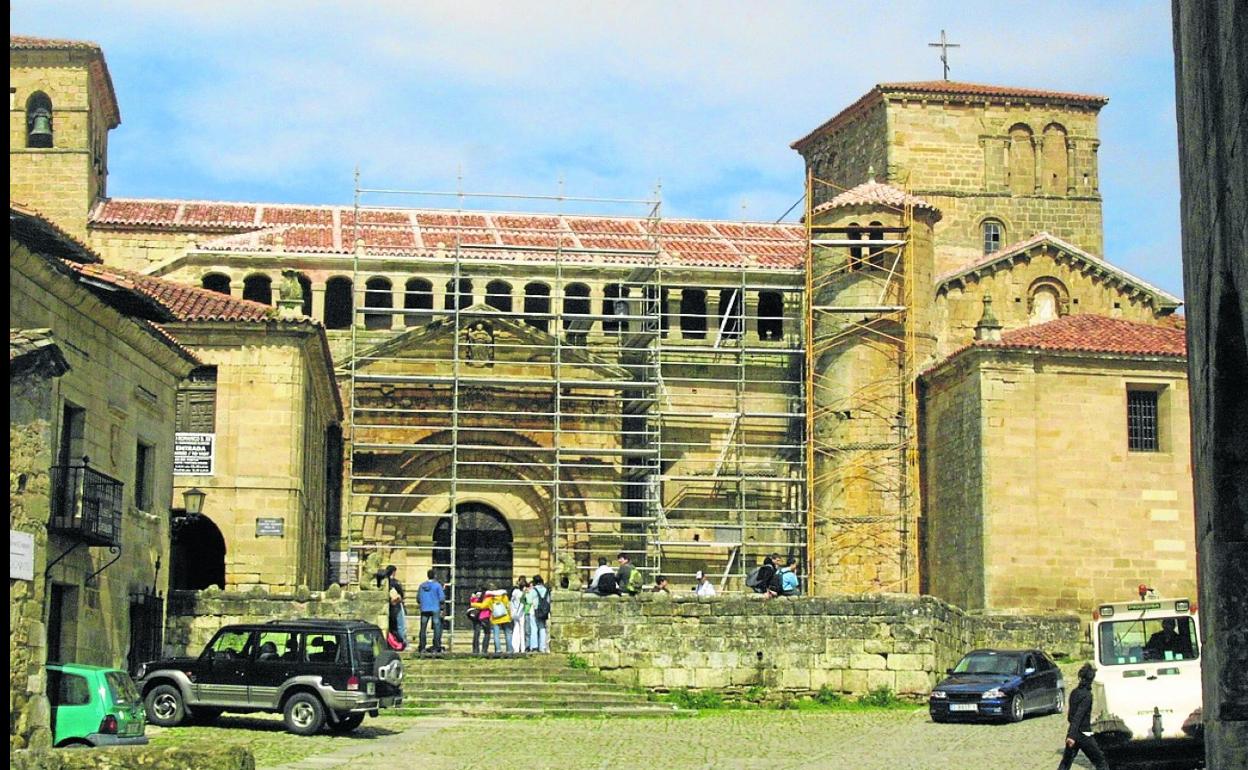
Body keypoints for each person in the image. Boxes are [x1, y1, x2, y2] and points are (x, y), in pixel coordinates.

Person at [1057, 663, 1110, 770]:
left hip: (1073, 732)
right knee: (1100, 761)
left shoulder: (1074, 692)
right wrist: (1072, 736)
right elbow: (1078, 716)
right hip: (1083, 734)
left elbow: (1070, 717)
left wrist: (1071, 734)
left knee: (1065, 763)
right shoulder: (1087, 696)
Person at [375, 565, 407, 649]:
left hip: (388, 606)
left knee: (391, 626)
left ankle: (392, 643)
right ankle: (402, 642)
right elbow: (401, 594)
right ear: (393, 572)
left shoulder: (382, 582)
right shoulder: (394, 582)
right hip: (396, 605)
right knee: (400, 625)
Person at [473, 589, 513, 654]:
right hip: (505, 617)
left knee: (496, 634)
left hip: (495, 618)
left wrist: (473, 604)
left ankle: (498, 650)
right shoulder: (504, 596)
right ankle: (509, 650)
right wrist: (510, 616)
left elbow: (483, 606)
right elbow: (508, 606)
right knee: (508, 633)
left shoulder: (490, 597)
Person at [416, 569, 446, 654]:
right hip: (435, 608)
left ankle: (422, 647)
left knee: (423, 628)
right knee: (437, 627)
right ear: (435, 576)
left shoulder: (422, 586)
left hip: (424, 608)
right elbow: (442, 598)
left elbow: (418, 598)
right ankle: (436, 647)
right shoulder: (437, 586)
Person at [529, 575, 551, 653]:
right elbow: (548, 600)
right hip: (544, 611)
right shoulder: (546, 590)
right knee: (542, 628)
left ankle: (534, 646)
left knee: (534, 628)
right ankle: (543, 647)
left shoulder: (533, 590)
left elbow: (529, 600)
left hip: (534, 610)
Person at [467, 587, 489, 655]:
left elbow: (471, 604)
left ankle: (475, 649)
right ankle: (484, 650)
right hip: (485, 615)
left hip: (476, 616)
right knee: (487, 633)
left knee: (476, 633)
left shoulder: (474, 598)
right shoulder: (486, 597)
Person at [510, 577, 529, 653]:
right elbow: (523, 604)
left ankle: (515, 647)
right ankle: (523, 647)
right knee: (522, 631)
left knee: (516, 629)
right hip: (521, 613)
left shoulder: (514, 592)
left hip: (514, 612)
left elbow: (511, 601)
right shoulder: (523, 594)